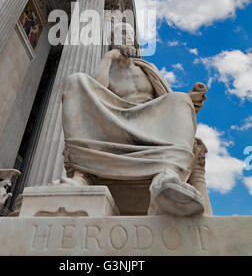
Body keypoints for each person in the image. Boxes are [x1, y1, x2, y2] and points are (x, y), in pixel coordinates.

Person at [61, 23, 207, 216]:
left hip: (150, 124)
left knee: (179, 98)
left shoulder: (147, 69)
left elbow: (165, 98)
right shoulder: (108, 67)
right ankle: (83, 172)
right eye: (121, 35)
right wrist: (109, 57)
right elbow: (94, 95)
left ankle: (167, 175)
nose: (126, 39)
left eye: (130, 36)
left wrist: (190, 100)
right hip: (113, 124)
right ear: (113, 41)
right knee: (75, 80)